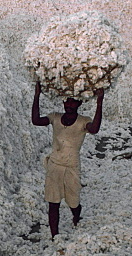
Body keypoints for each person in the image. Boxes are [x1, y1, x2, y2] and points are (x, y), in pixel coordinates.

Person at [31, 81, 104, 237]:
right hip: (55, 165)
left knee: (73, 200)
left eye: (73, 102)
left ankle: (76, 214)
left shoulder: (83, 121)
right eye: (67, 101)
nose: (69, 105)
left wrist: (100, 102)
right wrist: (37, 95)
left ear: (79, 103)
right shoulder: (55, 117)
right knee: (53, 202)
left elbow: (95, 129)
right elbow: (36, 120)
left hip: (72, 166)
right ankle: (54, 235)